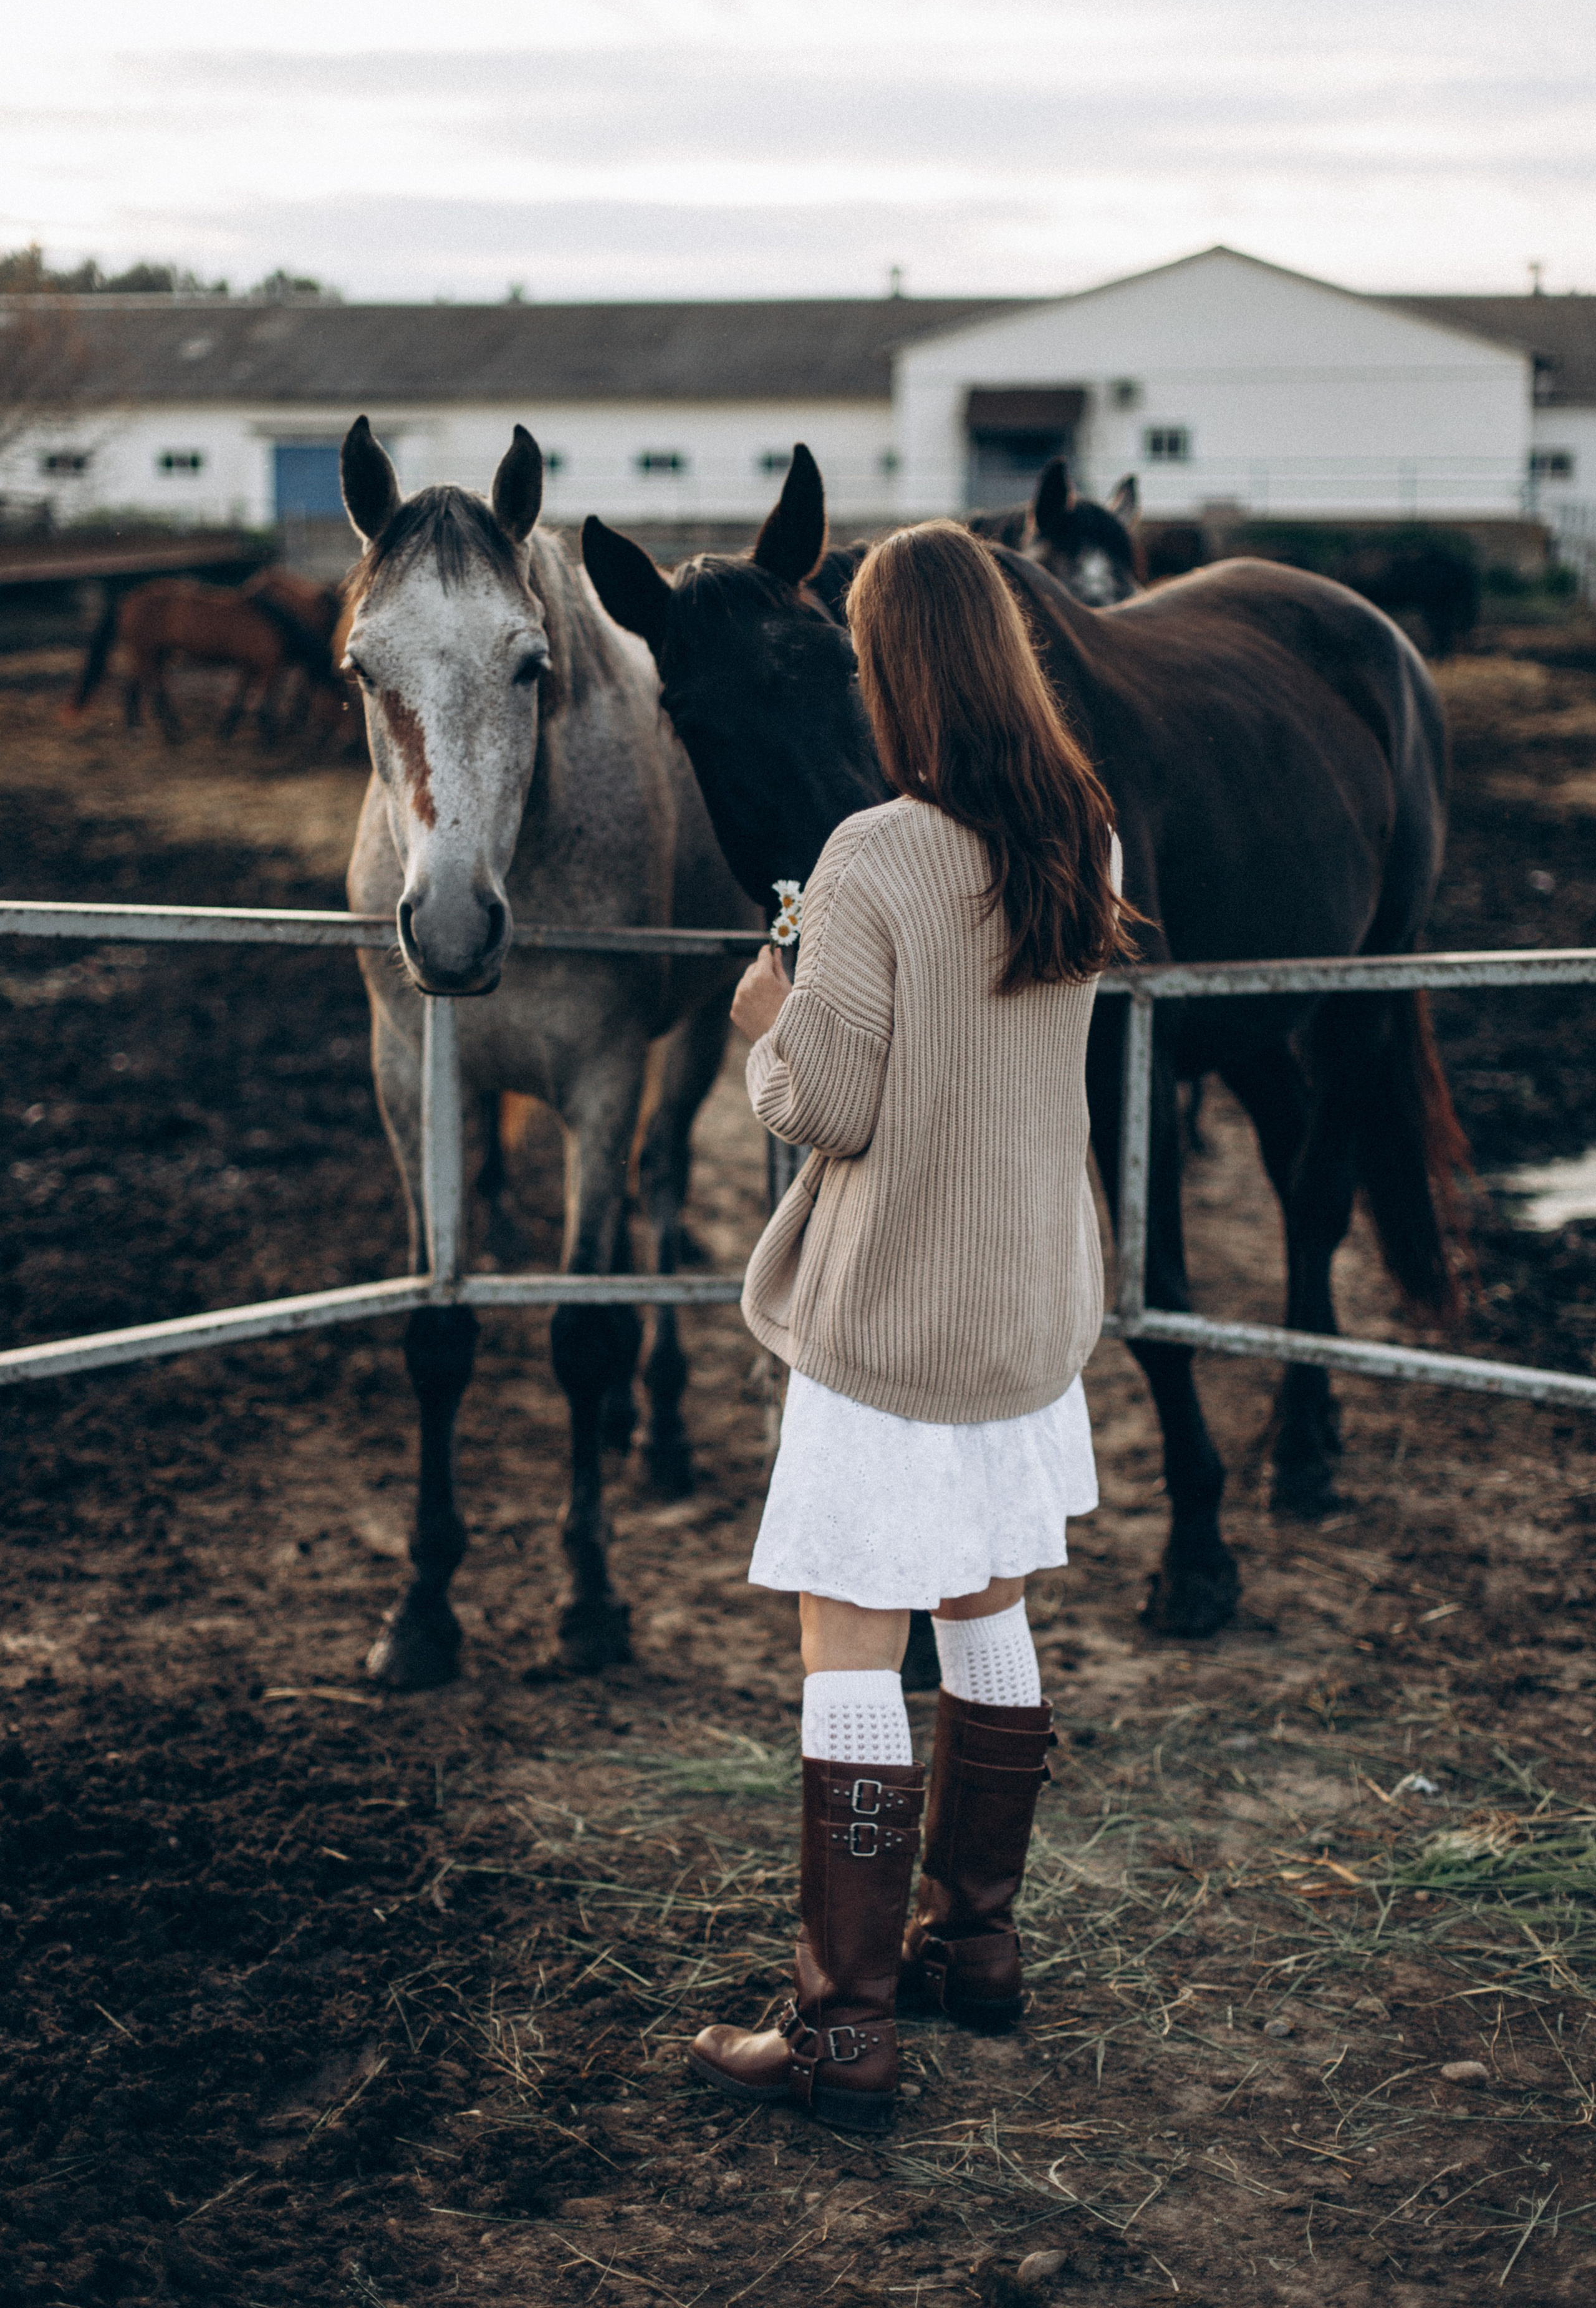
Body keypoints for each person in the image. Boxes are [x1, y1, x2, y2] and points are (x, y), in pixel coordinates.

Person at [688, 519, 1126, 2132]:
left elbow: (829, 1105)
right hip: (1026, 1307)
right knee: (986, 1601)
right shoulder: (1085, 833)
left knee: (852, 1648)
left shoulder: (872, 852)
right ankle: (975, 1946)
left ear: (894, 673)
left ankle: (843, 2032)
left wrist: (769, 1021)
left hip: (897, 1317)